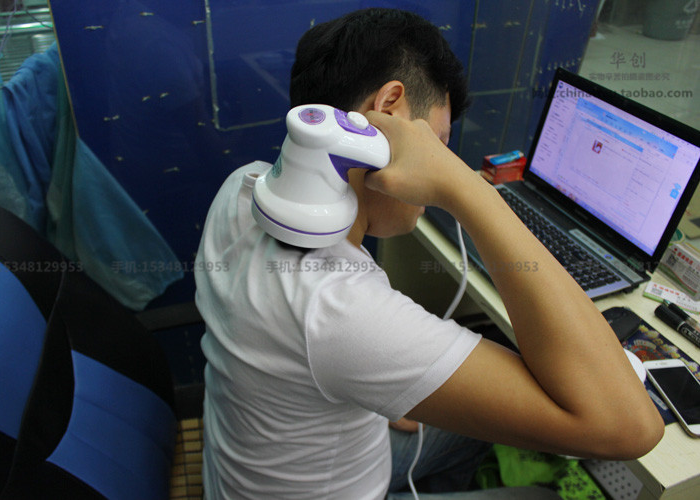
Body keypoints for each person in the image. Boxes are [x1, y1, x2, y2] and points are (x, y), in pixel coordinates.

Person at [194, 8, 664, 500]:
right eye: (439, 143)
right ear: (389, 110)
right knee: (543, 498)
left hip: (247, 476)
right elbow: (629, 427)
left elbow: (303, 349)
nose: (443, 160)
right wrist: (469, 190)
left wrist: (373, 383)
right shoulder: (340, 309)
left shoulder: (241, 188)